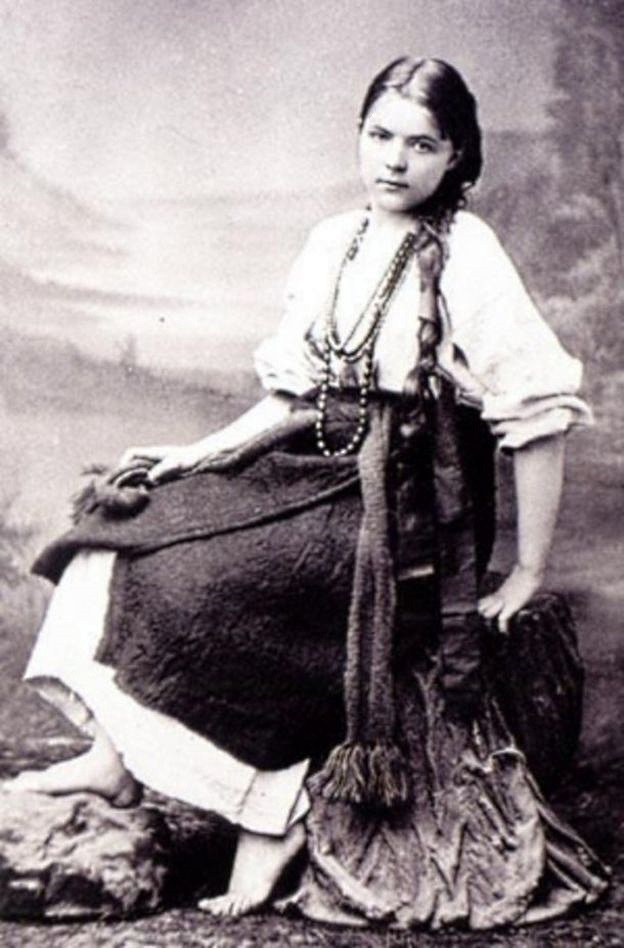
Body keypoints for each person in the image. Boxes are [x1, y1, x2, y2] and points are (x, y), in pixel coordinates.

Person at [4, 57, 609, 928]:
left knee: (225, 582)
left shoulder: (466, 250)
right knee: (123, 522)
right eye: (380, 136)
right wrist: (193, 457)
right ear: (359, 136)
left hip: (406, 501)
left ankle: (270, 813)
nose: (394, 160)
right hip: (312, 461)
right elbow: (294, 399)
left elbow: (539, 416)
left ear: (457, 157)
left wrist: (527, 571)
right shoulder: (334, 240)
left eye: (422, 145)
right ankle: (114, 758)